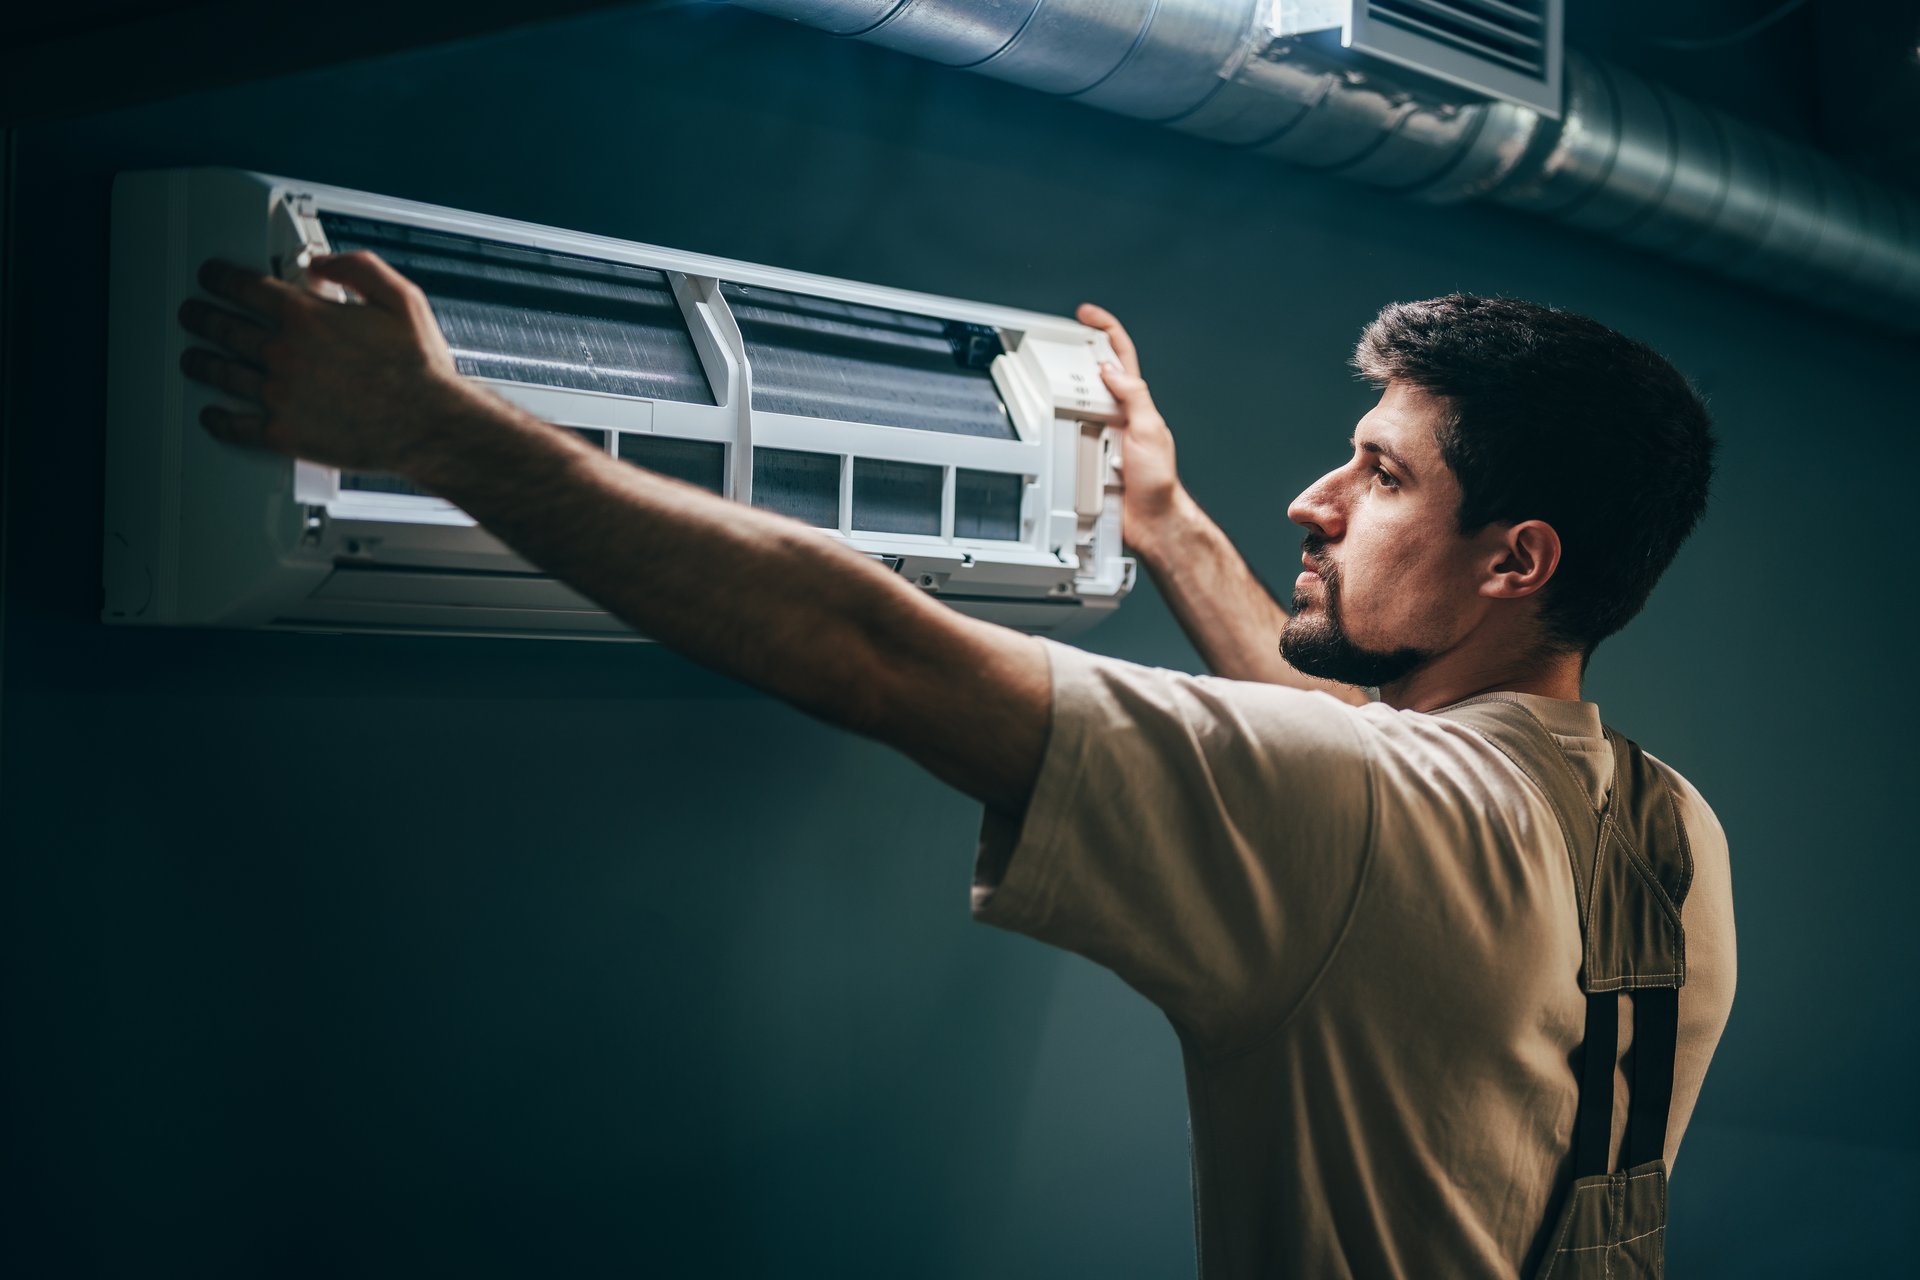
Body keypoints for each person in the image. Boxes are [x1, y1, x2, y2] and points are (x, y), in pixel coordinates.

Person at [177, 254, 1735, 1278]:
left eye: (1385, 476)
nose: (1318, 500)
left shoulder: (1368, 817)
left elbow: (873, 649)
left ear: (1514, 561)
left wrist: (435, 428)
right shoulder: (1662, 825)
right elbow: (1346, 758)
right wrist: (1168, 521)